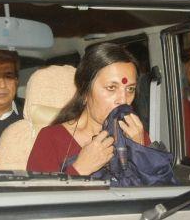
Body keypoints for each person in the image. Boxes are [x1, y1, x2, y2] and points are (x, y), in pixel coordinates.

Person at [27, 43, 150, 176]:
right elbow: (40, 195)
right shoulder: (51, 139)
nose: (123, 100)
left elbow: (160, 190)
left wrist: (140, 153)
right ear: (85, 90)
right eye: (111, 88)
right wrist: (80, 169)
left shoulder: (136, 134)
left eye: (130, 89)